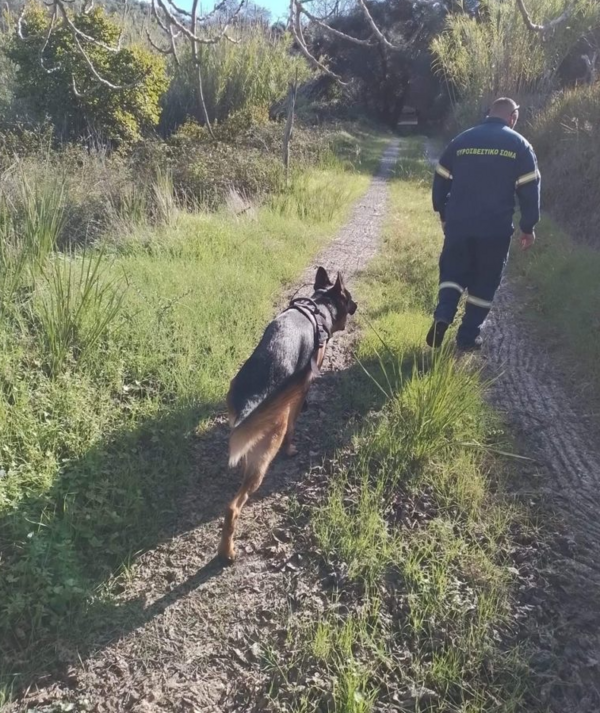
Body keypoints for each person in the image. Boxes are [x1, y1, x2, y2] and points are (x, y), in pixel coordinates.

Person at [427, 97, 541, 351]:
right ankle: (467, 337)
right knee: (485, 281)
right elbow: (530, 189)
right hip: (495, 230)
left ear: (489, 113)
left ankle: (443, 315)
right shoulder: (520, 146)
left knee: (452, 272)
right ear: (512, 118)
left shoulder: (462, 140)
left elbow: (441, 178)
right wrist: (528, 226)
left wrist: (443, 212)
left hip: (459, 225)